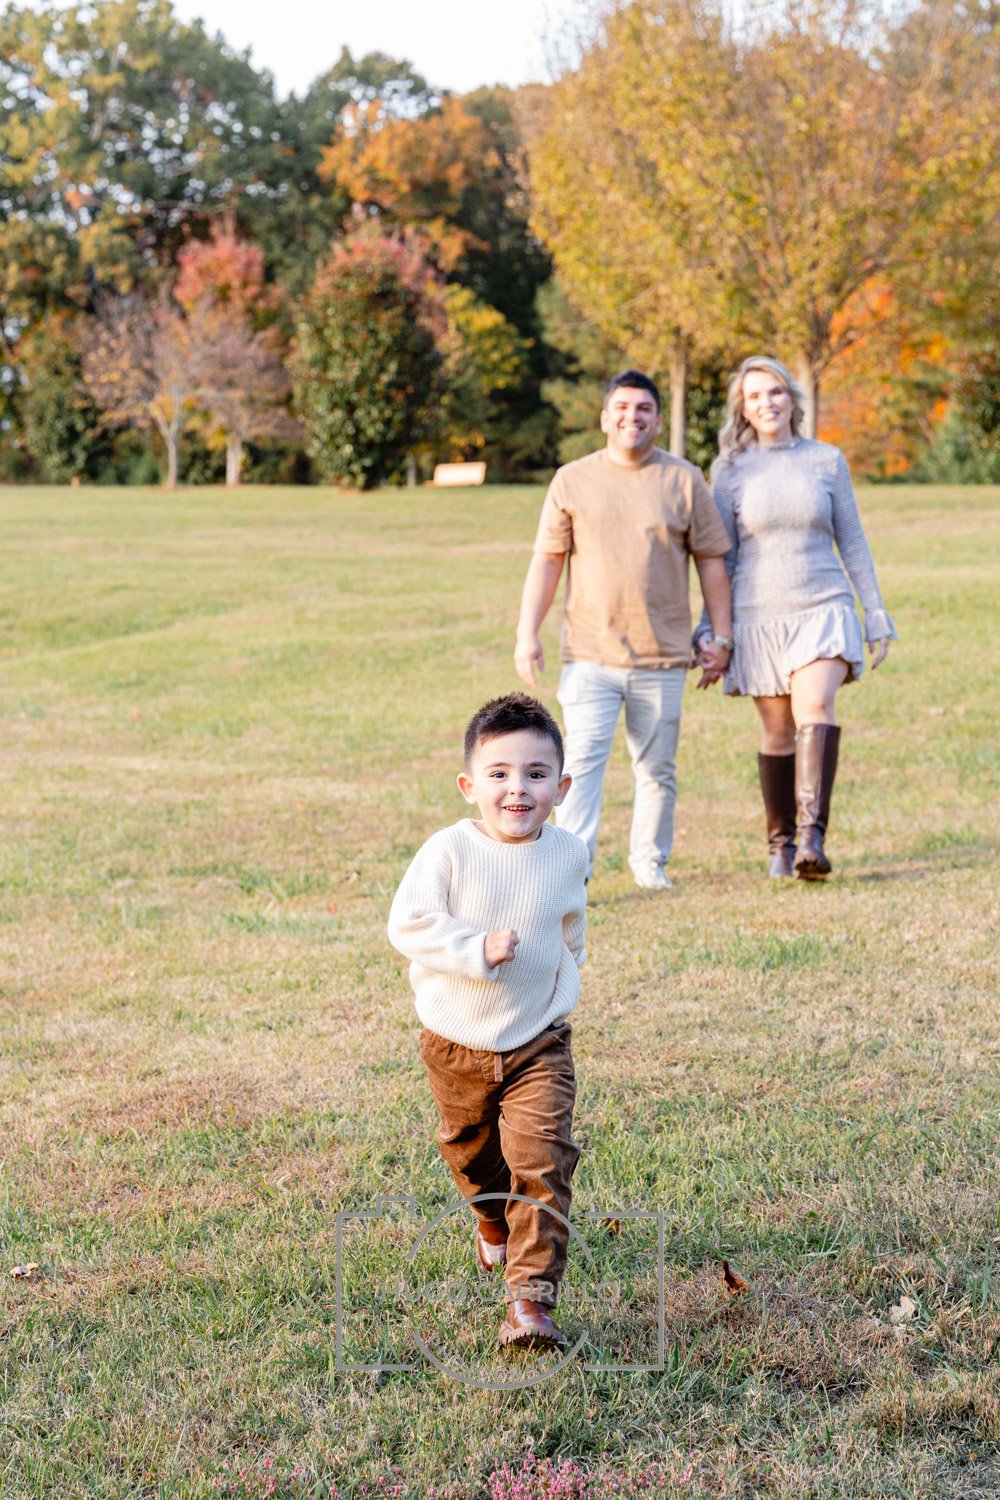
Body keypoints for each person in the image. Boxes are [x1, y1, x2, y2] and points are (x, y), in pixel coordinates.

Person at [387, 692, 589, 1351]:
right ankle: (492, 1227)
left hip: (538, 1042)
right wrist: (475, 950)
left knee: (542, 1161)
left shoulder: (568, 854)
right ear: (469, 785)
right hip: (456, 1042)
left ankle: (530, 1305)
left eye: (535, 774)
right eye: (499, 774)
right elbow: (408, 924)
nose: (517, 789)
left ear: (560, 786)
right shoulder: (448, 851)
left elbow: (572, 930)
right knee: (472, 1159)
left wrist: (564, 990)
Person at [514, 370, 733, 890]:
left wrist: (721, 638)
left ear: (658, 419)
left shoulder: (683, 480)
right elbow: (547, 562)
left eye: (643, 409)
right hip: (590, 653)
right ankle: (572, 873)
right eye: (622, 408)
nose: (632, 417)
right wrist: (528, 633)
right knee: (581, 768)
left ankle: (649, 864)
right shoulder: (572, 479)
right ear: (604, 417)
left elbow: (713, 564)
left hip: (661, 656)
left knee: (656, 769)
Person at [694, 355, 897, 879]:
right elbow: (724, 558)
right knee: (778, 732)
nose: (768, 403)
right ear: (743, 406)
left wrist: (873, 611)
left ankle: (811, 838)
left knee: (815, 703)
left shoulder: (827, 460)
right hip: (759, 616)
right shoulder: (730, 471)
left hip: (822, 606)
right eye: (756, 395)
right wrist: (711, 630)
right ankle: (779, 844)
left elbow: (852, 539)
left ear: (792, 399)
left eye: (777, 392)